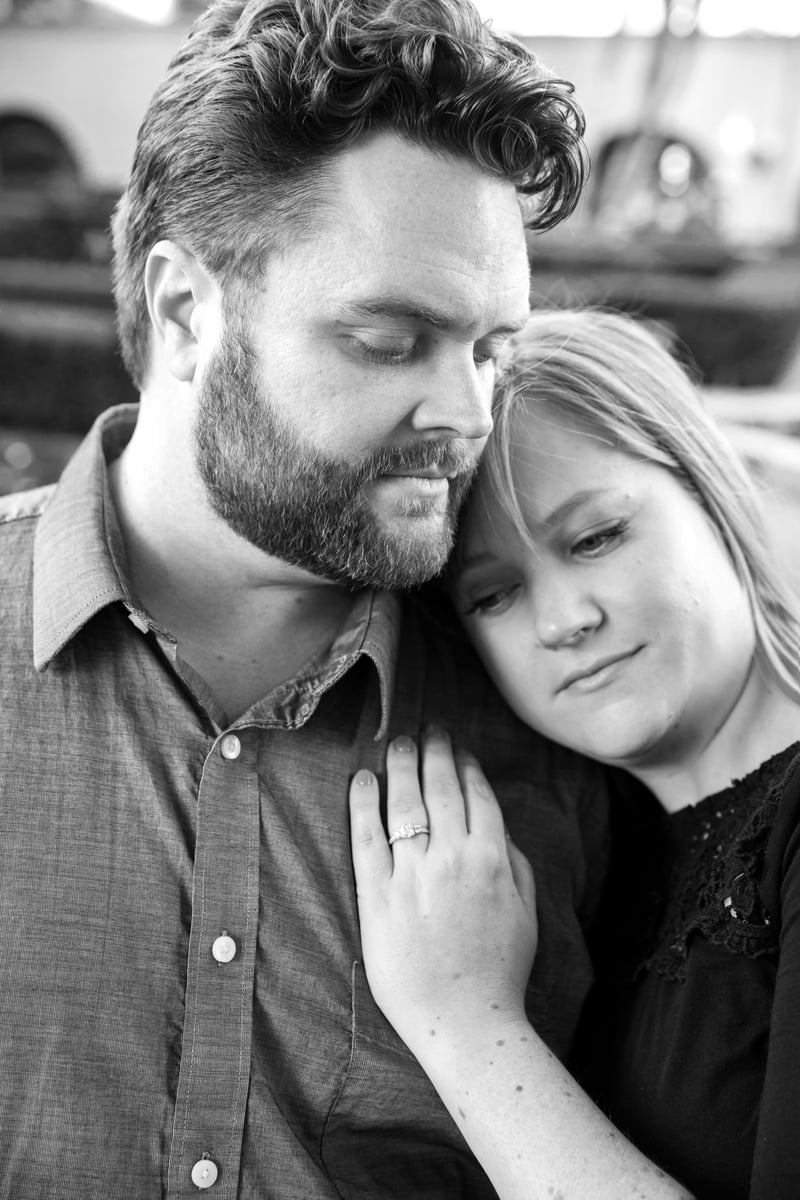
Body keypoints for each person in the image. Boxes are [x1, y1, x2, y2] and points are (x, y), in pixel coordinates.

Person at [0, 3, 612, 1196]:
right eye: (389, 341)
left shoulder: (555, 716)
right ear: (185, 313)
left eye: (490, 349)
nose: (467, 416)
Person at [349, 308, 800, 1200]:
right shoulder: (589, 847)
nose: (564, 621)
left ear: (711, 492)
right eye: (493, 596)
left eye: (595, 538)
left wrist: (466, 1025)